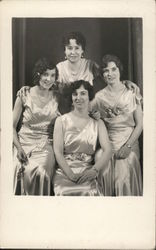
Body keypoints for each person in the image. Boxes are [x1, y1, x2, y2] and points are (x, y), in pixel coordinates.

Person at [17, 31, 138, 114]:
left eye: (77, 48)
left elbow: (108, 76)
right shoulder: (59, 68)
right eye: (69, 48)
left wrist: (124, 82)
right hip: (63, 112)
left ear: (82, 50)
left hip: (87, 112)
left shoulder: (91, 65)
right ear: (64, 51)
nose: (73, 52)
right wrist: (29, 88)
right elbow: (46, 85)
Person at [90, 54, 143, 196]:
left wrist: (128, 147)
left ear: (120, 70)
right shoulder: (99, 97)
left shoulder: (132, 92)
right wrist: (95, 117)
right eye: (106, 71)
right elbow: (83, 112)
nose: (110, 73)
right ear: (102, 74)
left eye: (114, 69)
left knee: (121, 175)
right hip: (109, 143)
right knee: (100, 159)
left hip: (128, 142)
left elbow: (139, 125)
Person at [53, 80, 112, 196]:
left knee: (90, 191)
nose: (78, 97)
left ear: (89, 97)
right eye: (75, 94)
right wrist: (70, 174)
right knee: (62, 190)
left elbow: (108, 150)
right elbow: (58, 152)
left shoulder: (98, 123)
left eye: (83, 93)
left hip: (87, 171)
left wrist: (94, 170)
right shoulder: (61, 121)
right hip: (65, 170)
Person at [13, 58, 60, 195]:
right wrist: (18, 147)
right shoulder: (24, 94)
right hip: (23, 142)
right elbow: (10, 127)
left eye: (52, 75)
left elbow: (82, 93)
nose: (48, 79)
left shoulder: (58, 96)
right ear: (38, 74)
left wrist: (125, 83)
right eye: (45, 74)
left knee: (41, 171)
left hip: (46, 143)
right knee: (17, 168)